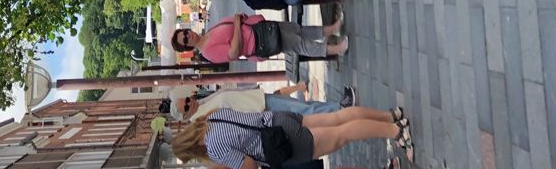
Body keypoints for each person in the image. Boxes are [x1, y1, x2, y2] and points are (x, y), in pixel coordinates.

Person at [167, 104, 414, 167]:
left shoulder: (213, 149)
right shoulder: (211, 118)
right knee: (337, 118)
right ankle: (390, 116)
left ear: (191, 151)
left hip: (281, 144)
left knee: (341, 135)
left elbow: (249, 163)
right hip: (277, 120)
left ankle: (396, 132)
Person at [171, 13, 348, 63]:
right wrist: (238, 26)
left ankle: (330, 30)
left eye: (185, 33)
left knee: (297, 30)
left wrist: (240, 20)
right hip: (260, 41)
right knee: (297, 44)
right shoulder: (209, 52)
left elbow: (235, 22)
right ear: (188, 47)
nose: (188, 35)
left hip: (260, 28)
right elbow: (233, 52)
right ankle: (335, 50)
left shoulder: (210, 31)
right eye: (185, 40)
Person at [172, 81, 347, 119]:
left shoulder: (201, 105)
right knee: (304, 110)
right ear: (185, 115)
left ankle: (339, 109)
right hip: (261, 109)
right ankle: (341, 109)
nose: (190, 102)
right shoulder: (202, 119)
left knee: (304, 107)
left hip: (258, 100)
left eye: (187, 99)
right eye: (186, 106)